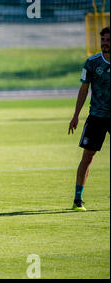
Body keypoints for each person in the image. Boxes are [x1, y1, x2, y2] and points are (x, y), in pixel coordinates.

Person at [68, 26, 110, 211]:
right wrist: (75, 116)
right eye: (103, 40)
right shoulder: (92, 63)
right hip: (97, 118)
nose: (105, 44)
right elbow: (84, 90)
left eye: (108, 41)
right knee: (87, 158)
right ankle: (78, 200)